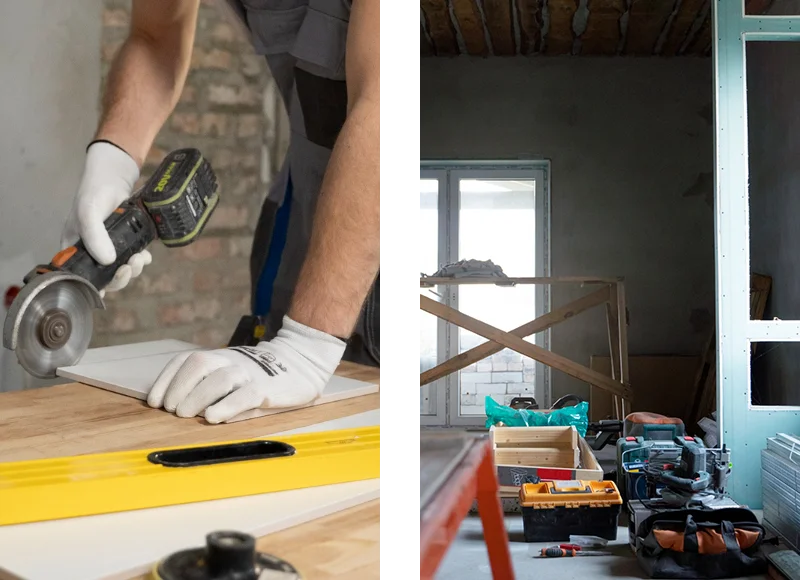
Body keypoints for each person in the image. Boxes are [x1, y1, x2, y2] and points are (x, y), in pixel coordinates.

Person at [60, 0, 383, 423]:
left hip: (382, 211)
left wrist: (309, 344)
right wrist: (111, 162)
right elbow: (155, 37)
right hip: (304, 195)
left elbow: (386, 104)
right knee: (268, 405)